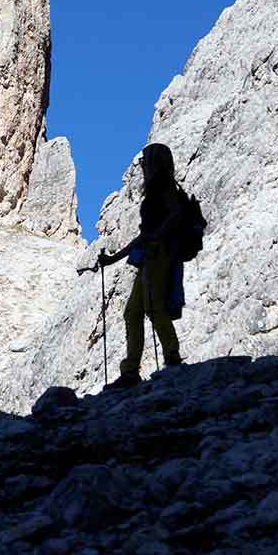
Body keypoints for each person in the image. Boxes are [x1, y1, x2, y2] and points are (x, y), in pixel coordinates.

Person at [93, 143, 185, 389]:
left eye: (146, 159)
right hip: (151, 254)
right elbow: (145, 234)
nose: (143, 164)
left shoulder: (164, 186)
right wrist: (113, 259)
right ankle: (131, 371)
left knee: (153, 307)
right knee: (133, 311)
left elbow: (173, 216)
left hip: (159, 253)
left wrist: (158, 237)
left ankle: (171, 358)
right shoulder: (157, 189)